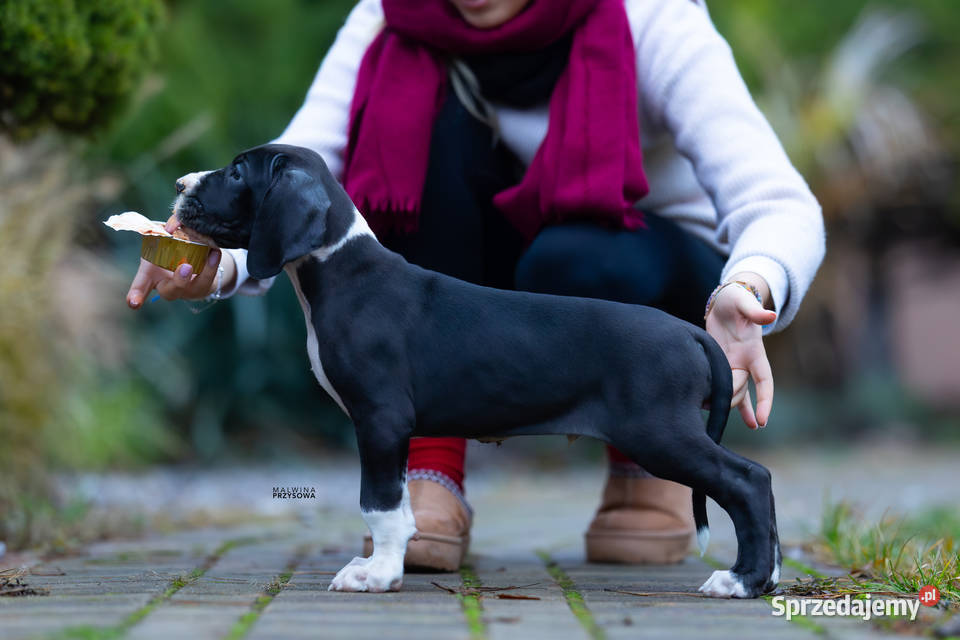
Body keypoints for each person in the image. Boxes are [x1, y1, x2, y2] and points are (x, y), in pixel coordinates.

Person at [126, 0, 825, 571]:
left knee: (574, 258)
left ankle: (646, 464)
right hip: (473, 303)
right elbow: (298, 188)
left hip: (653, 277)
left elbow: (779, 203)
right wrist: (206, 258)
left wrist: (752, 284)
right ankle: (431, 473)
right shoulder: (389, 18)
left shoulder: (651, 17)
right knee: (415, 141)